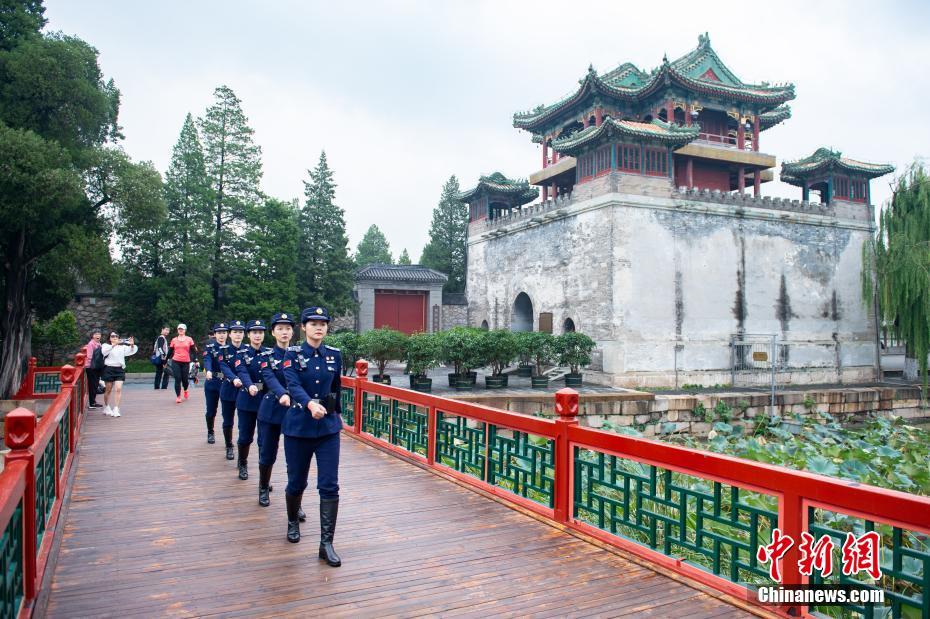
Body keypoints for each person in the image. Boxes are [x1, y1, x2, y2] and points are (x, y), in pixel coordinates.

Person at [281, 306, 342, 567]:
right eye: (313, 323)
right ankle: (293, 520)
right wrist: (309, 404)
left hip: (328, 428)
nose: (319, 327)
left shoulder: (334, 356)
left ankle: (326, 543)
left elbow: (337, 387)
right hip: (299, 427)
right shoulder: (292, 355)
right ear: (303, 327)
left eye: (323, 323)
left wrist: (338, 414)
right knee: (297, 482)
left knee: (329, 484)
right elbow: (292, 385)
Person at [255, 312, 297, 489]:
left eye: (287, 328)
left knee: (295, 457)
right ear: (273, 332)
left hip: (294, 411)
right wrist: (282, 394)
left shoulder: (298, 355)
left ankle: (295, 497)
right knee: (267, 453)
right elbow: (269, 378)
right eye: (280, 329)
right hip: (272, 409)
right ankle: (263, 487)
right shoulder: (267, 356)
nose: (284, 332)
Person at [234, 320, 270, 504]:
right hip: (247, 400)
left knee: (264, 440)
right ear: (249, 334)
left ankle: (265, 478)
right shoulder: (242, 353)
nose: (257, 335)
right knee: (245, 436)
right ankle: (243, 462)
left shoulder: (269, 353)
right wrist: (249, 386)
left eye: (260, 332)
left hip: (265, 401)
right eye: (254, 332)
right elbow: (242, 371)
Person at [218, 320, 246, 461]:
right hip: (229, 390)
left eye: (240, 332)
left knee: (243, 423)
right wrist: (234, 378)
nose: (238, 335)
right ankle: (229, 445)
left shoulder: (247, 350)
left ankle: (242, 453)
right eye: (235, 332)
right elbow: (224, 367)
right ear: (230, 334)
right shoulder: (223, 350)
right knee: (228, 420)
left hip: (244, 392)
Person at [201, 323, 227, 444]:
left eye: (224, 333)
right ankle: (210, 431)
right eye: (219, 333)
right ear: (215, 335)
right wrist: (209, 371)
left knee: (228, 411)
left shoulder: (231, 347)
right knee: (211, 410)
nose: (221, 335)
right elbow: (207, 360)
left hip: (228, 383)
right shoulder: (210, 347)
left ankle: (229, 439)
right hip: (213, 381)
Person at [101, 332, 138, 417]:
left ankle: (116, 408)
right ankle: (106, 406)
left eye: (116, 336)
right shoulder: (106, 345)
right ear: (109, 338)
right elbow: (104, 352)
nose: (115, 337)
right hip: (108, 369)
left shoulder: (122, 347)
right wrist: (114, 344)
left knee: (118, 389)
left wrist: (132, 345)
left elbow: (131, 351)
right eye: (113, 336)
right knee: (108, 389)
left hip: (119, 369)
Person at [168, 323, 198, 404]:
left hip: (185, 362)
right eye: (179, 329)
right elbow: (170, 351)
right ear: (177, 330)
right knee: (177, 378)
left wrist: (195, 359)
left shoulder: (189, 339)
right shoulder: (174, 340)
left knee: (185, 379)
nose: (180, 330)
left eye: (182, 329)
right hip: (175, 361)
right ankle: (178, 396)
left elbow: (193, 350)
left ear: (185, 330)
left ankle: (185, 390)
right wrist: (165, 360)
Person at [83, 329, 103, 409]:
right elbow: (89, 356)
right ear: (92, 335)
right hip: (91, 367)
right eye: (95, 334)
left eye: (99, 334)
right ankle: (92, 403)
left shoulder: (98, 343)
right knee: (92, 385)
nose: (98, 335)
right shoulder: (91, 344)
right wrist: (91, 365)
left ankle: (93, 401)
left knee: (95, 384)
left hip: (96, 366)